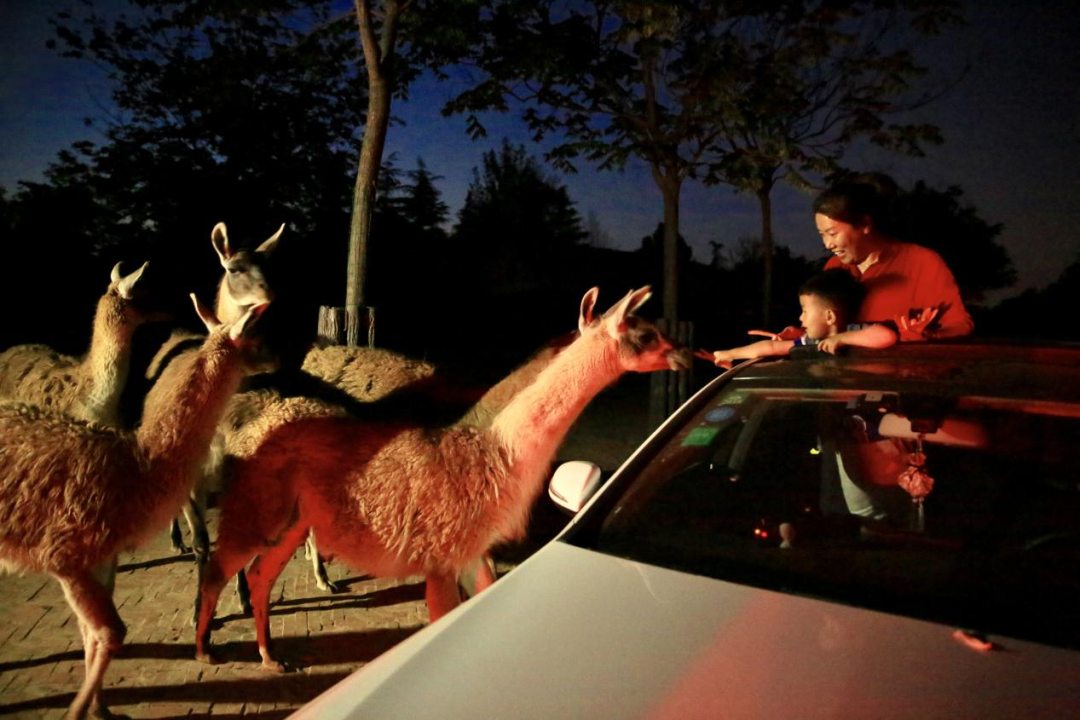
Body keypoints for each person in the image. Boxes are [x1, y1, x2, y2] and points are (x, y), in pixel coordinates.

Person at [813, 173, 974, 340]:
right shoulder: (834, 267)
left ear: (865, 224)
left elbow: (959, 324)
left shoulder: (920, 262)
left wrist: (927, 335)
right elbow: (821, 325)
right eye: (822, 234)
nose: (828, 244)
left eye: (832, 233)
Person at [710, 269, 896, 369]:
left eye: (805, 311)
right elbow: (771, 347)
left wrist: (841, 339)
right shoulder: (810, 342)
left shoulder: (855, 331)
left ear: (829, 316)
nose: (800, 317)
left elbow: (887, 336)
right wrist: (729, 354)